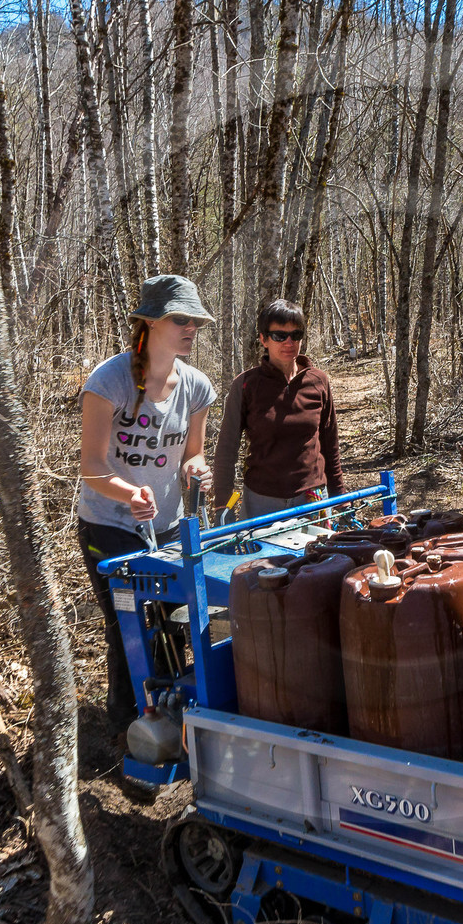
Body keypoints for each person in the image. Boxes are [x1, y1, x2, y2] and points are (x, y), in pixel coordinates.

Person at [78, 274, 217, 733]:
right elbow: (92, 466)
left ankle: (176, 720)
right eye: (181, 319)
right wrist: (129, 493)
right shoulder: (110, 380)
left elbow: (192, 451)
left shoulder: (196, 386)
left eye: (196, 320)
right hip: (109, 525)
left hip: (170, 526)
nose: (191, 328)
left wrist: (196, 469)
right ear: (150, 323)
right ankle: (128, 728)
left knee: (174, 622)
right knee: (128, 629)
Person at [213, 299, 345, 521]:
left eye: (296, 334)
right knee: (260, 558)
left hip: (312, 499)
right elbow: (227, 450)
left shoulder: (318, 381)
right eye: (279, 335)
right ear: (264, 339)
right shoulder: (246, 385)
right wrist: (222, 507)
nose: (289, 342)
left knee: (316, 556)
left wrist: (340, 496)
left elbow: (330, 444)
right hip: (261, 503)